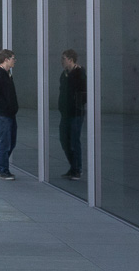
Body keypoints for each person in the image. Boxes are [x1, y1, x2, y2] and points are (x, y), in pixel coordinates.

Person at [0, 49, 18, 180]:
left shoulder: (7, 73)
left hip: (9, 113)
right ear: (6, 59)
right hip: (3, 114)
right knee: (5, 142)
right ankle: (3, 170)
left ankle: (0, 167)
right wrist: (6, 106)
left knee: (11, 141)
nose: (14, 60)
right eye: (13, 58)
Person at [58, 48, 86, 181]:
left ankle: (77, 169)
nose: (61, 62)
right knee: (64, 140)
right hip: (65, 113)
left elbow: (84, 93)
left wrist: (78, 104)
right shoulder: (64, 74)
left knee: (74, 141)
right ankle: (73, 167)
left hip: (76, 113)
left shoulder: (80, 73)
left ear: (70, 59)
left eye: (63, 59)